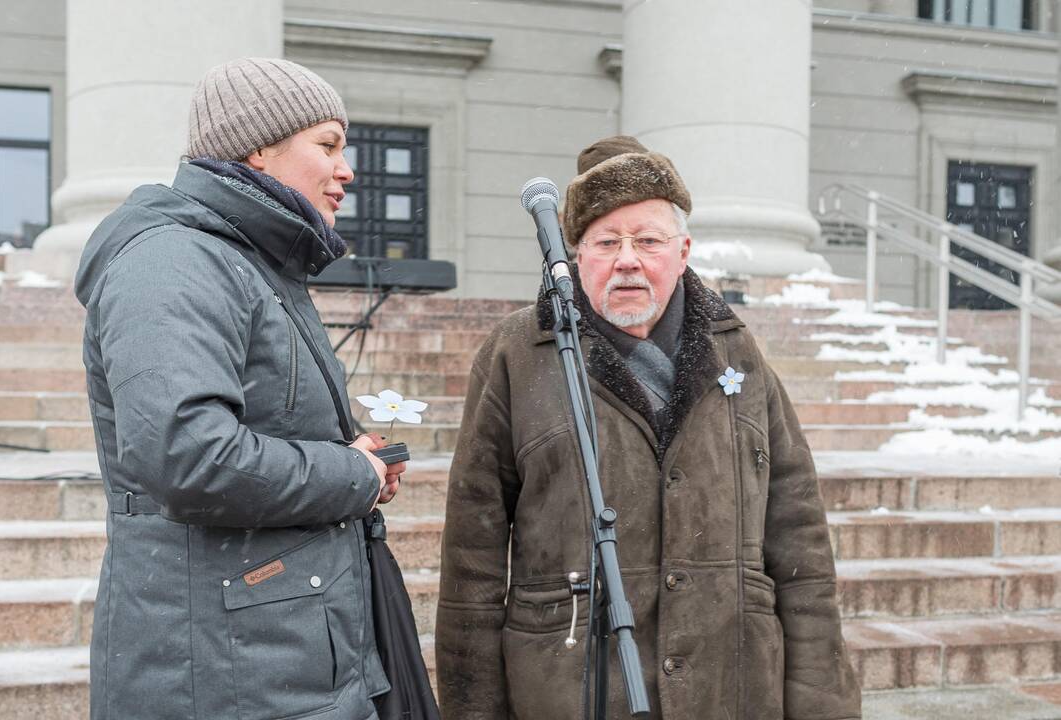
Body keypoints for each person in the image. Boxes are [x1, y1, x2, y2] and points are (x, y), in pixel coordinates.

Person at [435, 135, 861, 719]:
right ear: (574, 254)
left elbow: (799, 541)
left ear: (683, 251)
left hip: (730, 682)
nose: (627, 259)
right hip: (571, 684)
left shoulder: (735, 351)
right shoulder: (519, 354)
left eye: (648, 241)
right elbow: (473, 554)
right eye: (606, 242)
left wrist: (822, 704)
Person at [74, 57, 405, 720]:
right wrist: (351, 472)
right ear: (257, 148)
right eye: (328, 145)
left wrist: (350, 450)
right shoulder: (175, 260)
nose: (348, 170)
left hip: (274, 655)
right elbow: (189, 458)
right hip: (223, 673)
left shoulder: (245, 262)